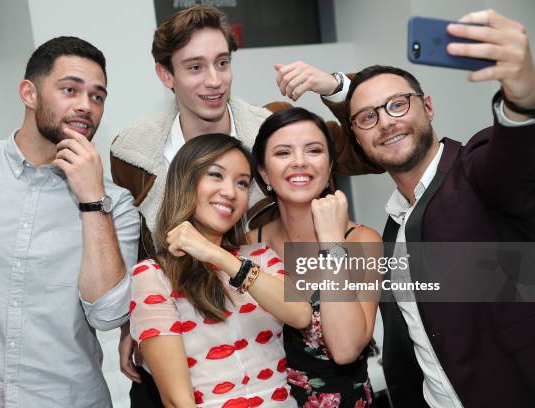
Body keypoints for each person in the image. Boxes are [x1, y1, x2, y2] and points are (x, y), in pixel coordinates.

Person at [109, 5, 381, 403]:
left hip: (265, 363)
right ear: (166, 75)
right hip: (185, 360)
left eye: (222, 63)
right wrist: (135, 322)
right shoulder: (132, 152)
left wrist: (335, 87)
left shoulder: (274, 131)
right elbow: (141, 244)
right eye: (195, 67)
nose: (214, 81)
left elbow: (371, 149)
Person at [328, 10, 535, 407]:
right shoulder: (392, 227)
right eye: (368, 117)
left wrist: (522, 100)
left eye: (398, 105)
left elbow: (516, 162)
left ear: (428, 106)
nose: (386, 123)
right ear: (356, 136)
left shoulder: (475, 170)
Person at [0, 37, 140, 407]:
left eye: (97, 96)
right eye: (70, 89)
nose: (85, 106)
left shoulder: (114, 204)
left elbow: (109, 314)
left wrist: (91, 202)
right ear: (29, 93)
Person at [129, 133, 312, 407]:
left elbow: (300, 314)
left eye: (242, 183)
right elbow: (178, 400)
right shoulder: (153, 275)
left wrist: (217, 254)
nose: (230, 191)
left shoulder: (259, 257)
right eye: (216, 175)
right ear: (186, 181)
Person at [249, 107, 382, 407]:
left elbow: (346, 349)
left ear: (330, 164)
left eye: (314, 150)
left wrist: (331, 243)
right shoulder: (251, 244)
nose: (299, 162)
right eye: (283, 153)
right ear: (263, 171)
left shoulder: (361, 241)